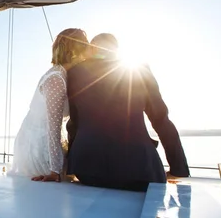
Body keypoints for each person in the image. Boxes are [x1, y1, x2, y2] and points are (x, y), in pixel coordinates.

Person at [66, 33, 189, 192]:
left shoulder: (74, 73)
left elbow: (74, 123)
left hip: (87, 171)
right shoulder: (138, 69)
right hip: (139, 171)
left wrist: (70, 163)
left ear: (91, 48)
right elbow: (160, 119)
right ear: (116, 50)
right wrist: (178, 168)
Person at [11, 28, 88, 182]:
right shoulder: (56, 80)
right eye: (85, 47)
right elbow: (53, 128)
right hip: (40, 150)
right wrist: (55, 171)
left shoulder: (62, 75)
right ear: (76, 50)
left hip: (46, 144)